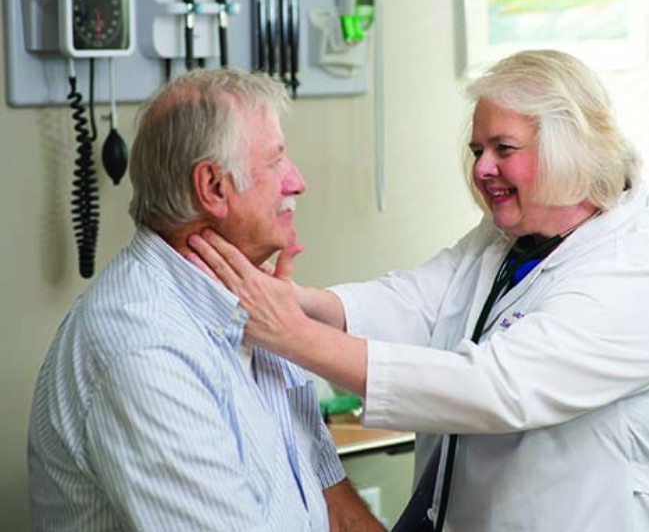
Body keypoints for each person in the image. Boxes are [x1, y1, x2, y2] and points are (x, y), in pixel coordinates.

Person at [187, 50, 649, 531]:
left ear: (568, 149)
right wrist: (293, 301)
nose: (482, 168)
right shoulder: (516, 238)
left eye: (504, 149)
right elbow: (418, 301)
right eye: (478, 149)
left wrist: (293, 335)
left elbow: (492, 388)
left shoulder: (631, 283)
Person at [27, 69, 383, 531]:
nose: (297, 182)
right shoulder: (145, 352)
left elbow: (331, 501)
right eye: (276, 162)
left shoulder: (255, 306)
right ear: (213, 187)